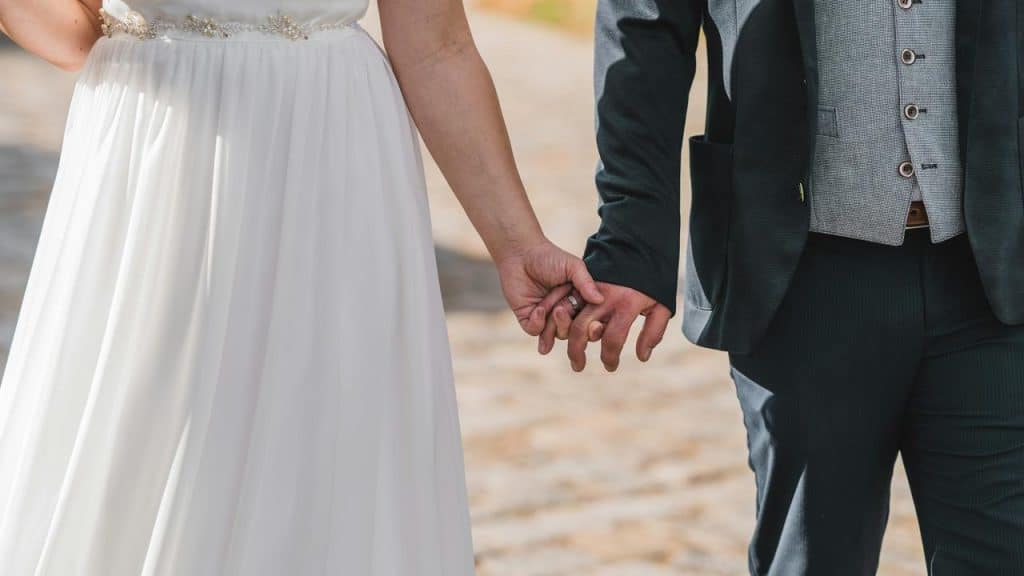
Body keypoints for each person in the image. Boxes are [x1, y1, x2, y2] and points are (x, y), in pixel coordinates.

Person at [0, 0, 602, 573]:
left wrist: (517, 244)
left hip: (324, 149)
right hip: (148, 158)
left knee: (317, 450)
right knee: (139, 441)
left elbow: (435, 45)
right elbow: (72, 32)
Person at [543, 1, 1024, 574]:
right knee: (812, 560)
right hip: (800, 278)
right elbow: (645, 21)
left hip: (993, 269)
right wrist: (631, 241)